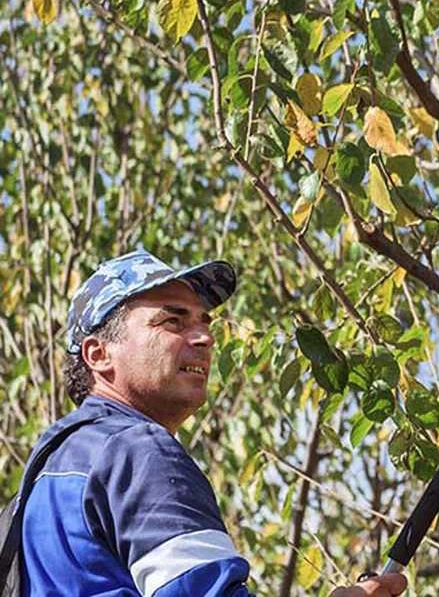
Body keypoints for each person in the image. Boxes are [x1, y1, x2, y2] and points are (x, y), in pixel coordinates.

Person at [18, 250, 407, 597]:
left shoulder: (52, 463)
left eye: (204, 322)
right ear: (99, 354)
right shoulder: (134, 450)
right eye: (173, 321)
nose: (205, 337)